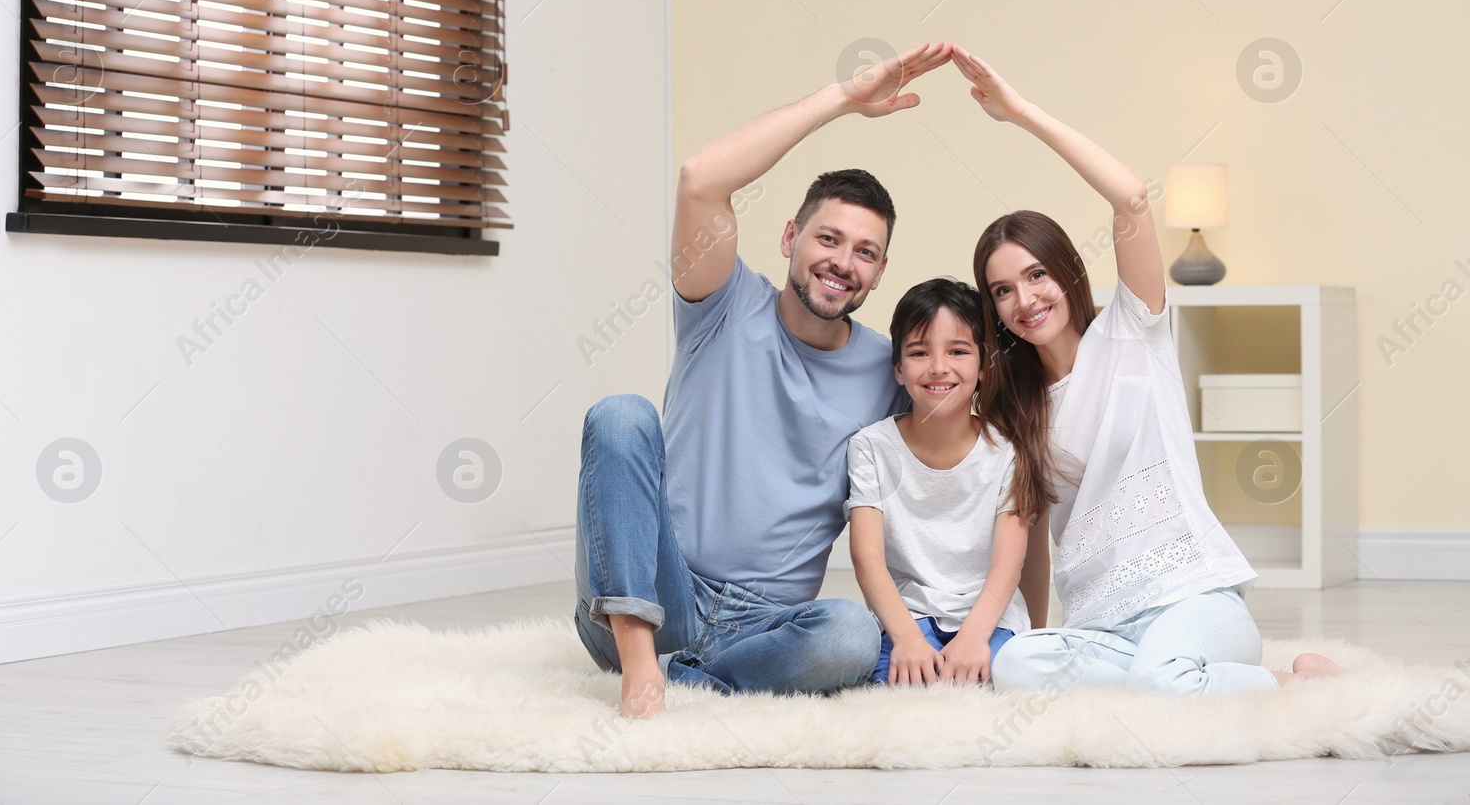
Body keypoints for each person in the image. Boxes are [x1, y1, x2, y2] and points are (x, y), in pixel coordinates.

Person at [948, 44, 1344, 695]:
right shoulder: (1017, 405)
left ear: (1066, 271)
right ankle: (1203, 680)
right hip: (1102, 623)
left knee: (1161, 682)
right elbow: (1036, 532)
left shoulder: (1133, 330)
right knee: (1017, 664)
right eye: (1002, 290)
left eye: (1036, 274)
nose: (1025, 299)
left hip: (1193, 601)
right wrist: (1042, 630)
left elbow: (1131, 198)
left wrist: (1019, 112)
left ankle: (1286, 681)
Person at [573, 42, 952, 717]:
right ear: (789, 238)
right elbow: (700, 177)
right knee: (620, 414)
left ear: (881, 271)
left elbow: (962, 425)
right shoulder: (722, 300)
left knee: (851, 635)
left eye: (865, 252)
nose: (843, 262)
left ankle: (698, 681)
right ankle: (640, 669)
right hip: (659, 593)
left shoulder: (888, 367)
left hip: (768, 621)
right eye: (827, 239)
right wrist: (844, 100)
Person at [847, 277, 1044, 687]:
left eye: (957, 351)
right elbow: (867, 558)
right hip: (908, 617)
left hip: (988, 618)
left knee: (1011, 681)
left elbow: (1008, 566)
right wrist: (905, 638)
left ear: (984, 365)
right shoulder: (871, 447)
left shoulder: (1007, 450)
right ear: (899, 370)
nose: (938, 367)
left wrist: (974, 638)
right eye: (919, 353)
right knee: (893, 689)